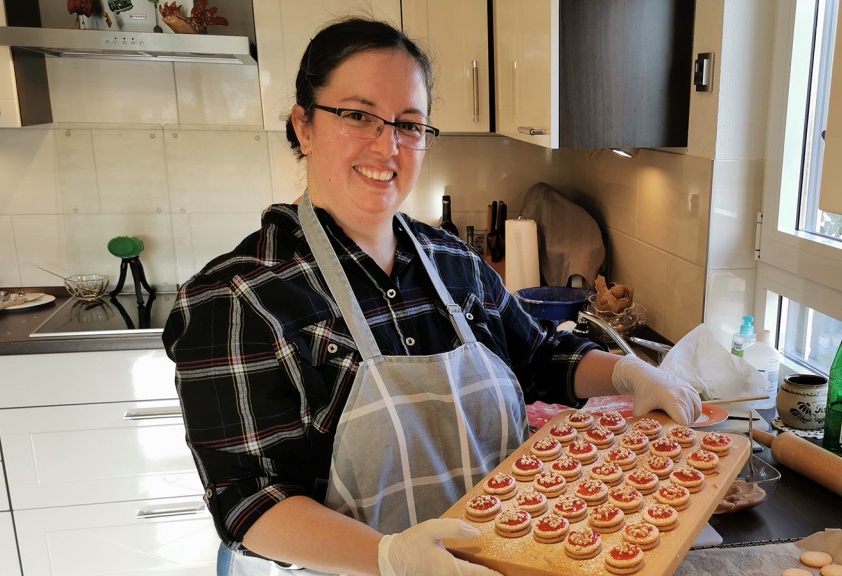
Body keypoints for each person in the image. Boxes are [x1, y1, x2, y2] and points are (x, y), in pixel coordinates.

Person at [162, 17, 701, 576]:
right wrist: (389, 557)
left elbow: (539, 357)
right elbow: (248, 502)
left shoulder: (452, 261)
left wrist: (629, 375)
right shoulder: (237, 299)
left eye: (409, 125)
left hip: (510, 562)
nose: (387, 145)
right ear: (304, 125)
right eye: (357, 115)